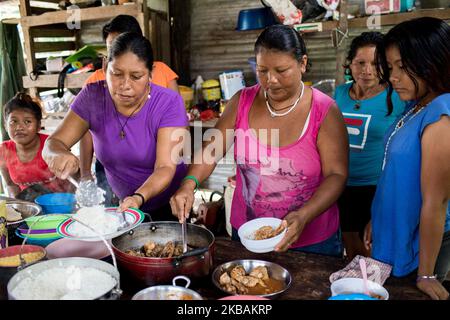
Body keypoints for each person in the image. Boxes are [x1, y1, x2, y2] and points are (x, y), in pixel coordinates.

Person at [171, 24, 348, 256]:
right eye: (262, 70)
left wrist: (304, 215)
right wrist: (189, 183)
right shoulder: (241, 101)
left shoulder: (324, 110)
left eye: (281, 70)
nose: (271, 80)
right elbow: (210, 151)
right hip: (249, 234)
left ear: (302, 63)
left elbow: (336, 174)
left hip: (312, 242)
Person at [43, 32, 188, 220]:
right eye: (117, 74)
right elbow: (53, 143)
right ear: (104, 67)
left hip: (169, 202)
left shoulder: (168, 103)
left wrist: (137, 198)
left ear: (151, 74)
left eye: (136, 76)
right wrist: (57, 153)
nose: (125, 85)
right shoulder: (92, 97)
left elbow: (165, 167)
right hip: (121, 200)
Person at [365, 17, 450, 300]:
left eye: (402, 67)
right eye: (390, 68)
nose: (393, 77)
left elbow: (435, 203)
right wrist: (378, 218)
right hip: (395, 227)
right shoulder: (417, 104)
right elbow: (396, 172)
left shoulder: (441, 116)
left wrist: (426, 274)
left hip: (421, 249)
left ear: (433, 60)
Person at [80, 15, 180, 206]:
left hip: (159, 164)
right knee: (114, 217)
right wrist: (85, 174)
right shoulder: (94, 83)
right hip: (112, 167)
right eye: (113, 47)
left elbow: (177, 121)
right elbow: (85, 132)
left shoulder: (162, 73)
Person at [334, 32, 405, 260]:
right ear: (350, 64)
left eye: (376, 64)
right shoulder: (340, 93)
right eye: (360, 63)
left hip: (376, 188)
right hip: (341, 185)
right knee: (352, 251)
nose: (367, 70)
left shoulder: (398, 97)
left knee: (374, 254)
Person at [0, 93, 73, 197]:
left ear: (39, 125)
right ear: (5, 126)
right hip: (30, 206)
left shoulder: (52, 145)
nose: (19, 127)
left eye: (27, 121)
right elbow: (10, 185)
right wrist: (18, 205)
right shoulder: (3, 151)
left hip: (60, 203)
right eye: (13, 121)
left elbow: (73, 178)